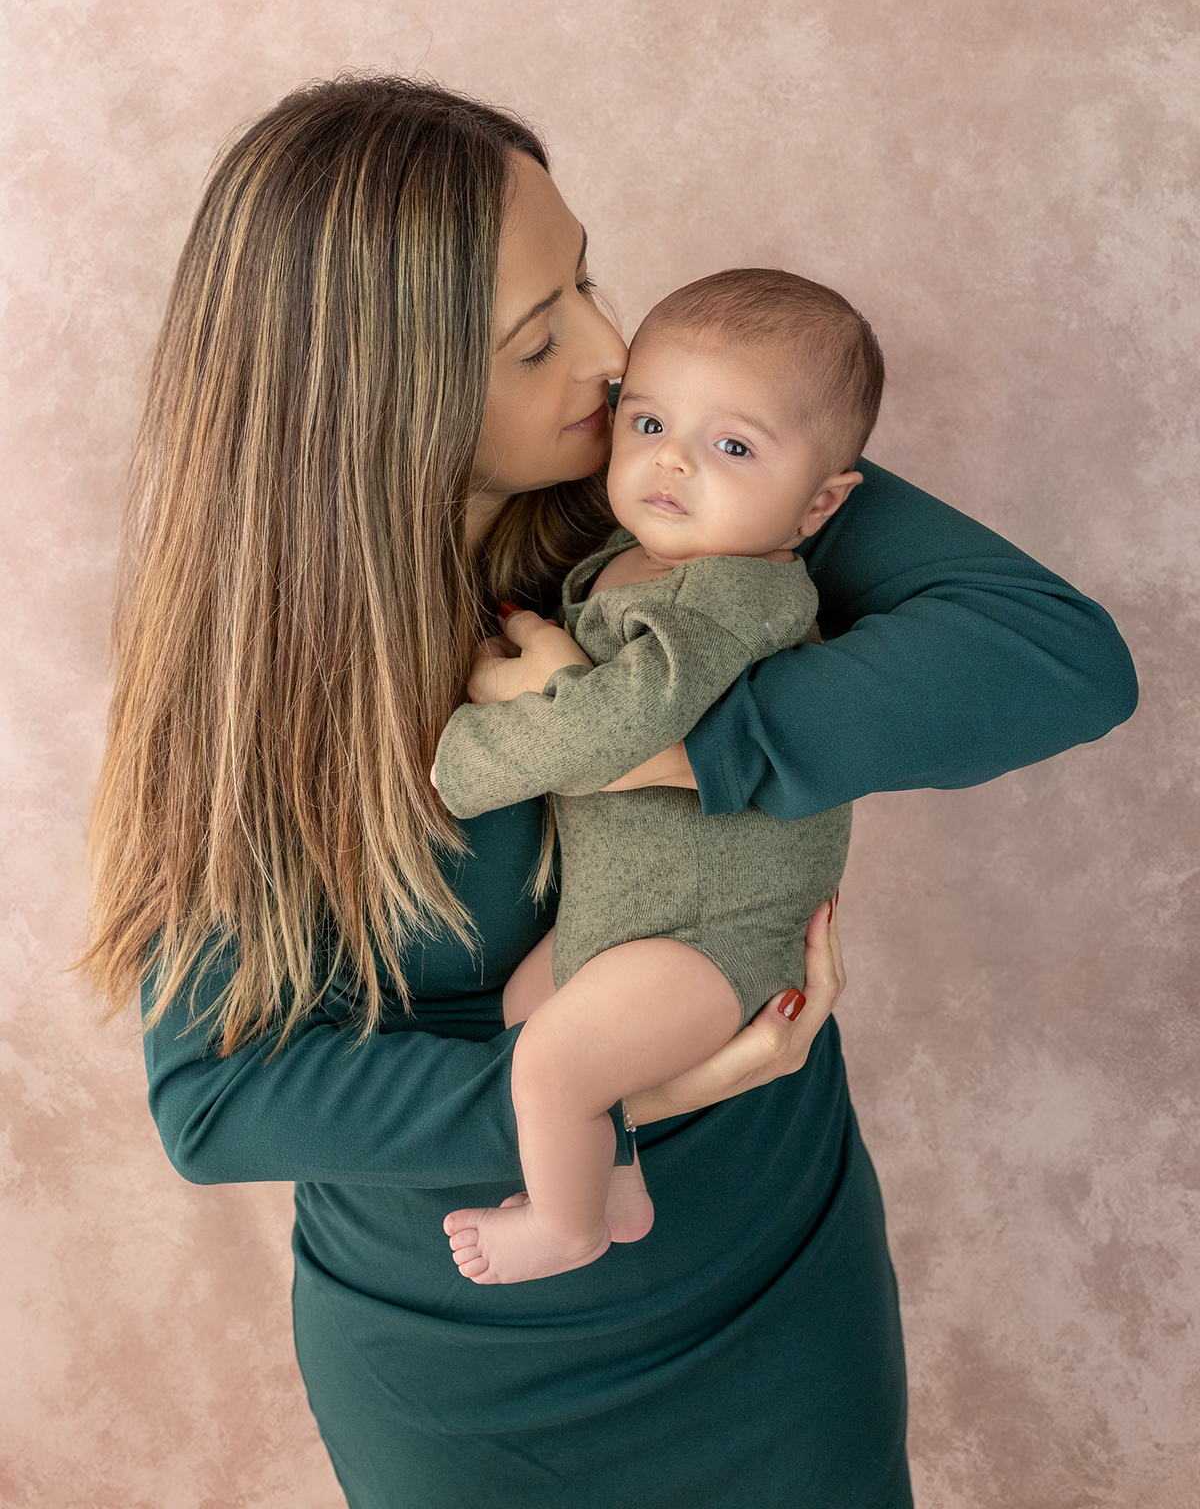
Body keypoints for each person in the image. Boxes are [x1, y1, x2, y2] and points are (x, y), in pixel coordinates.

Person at [78, 75, 1137, 1509]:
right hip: (465, 1365)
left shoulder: (685, 483)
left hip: (775, 1289)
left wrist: (666, 742)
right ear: (384, 393)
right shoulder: (251, 677)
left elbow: (1055, 658)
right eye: (537, 337)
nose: (611, 350)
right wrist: (602, 1088)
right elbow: (217, 1101)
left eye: (586, 278)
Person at [434, 269, 880, 1284]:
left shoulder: (734, 595)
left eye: (731, 448)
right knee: (526, 1015)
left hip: (712, 936)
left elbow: (614, 725)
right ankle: (612, 1177)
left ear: (817, 503)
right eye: (646, 425)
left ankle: (565, 1230)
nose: (671, 461)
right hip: (630, 916)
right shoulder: (630, 561)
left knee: (547, 1063)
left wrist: (463, 756)